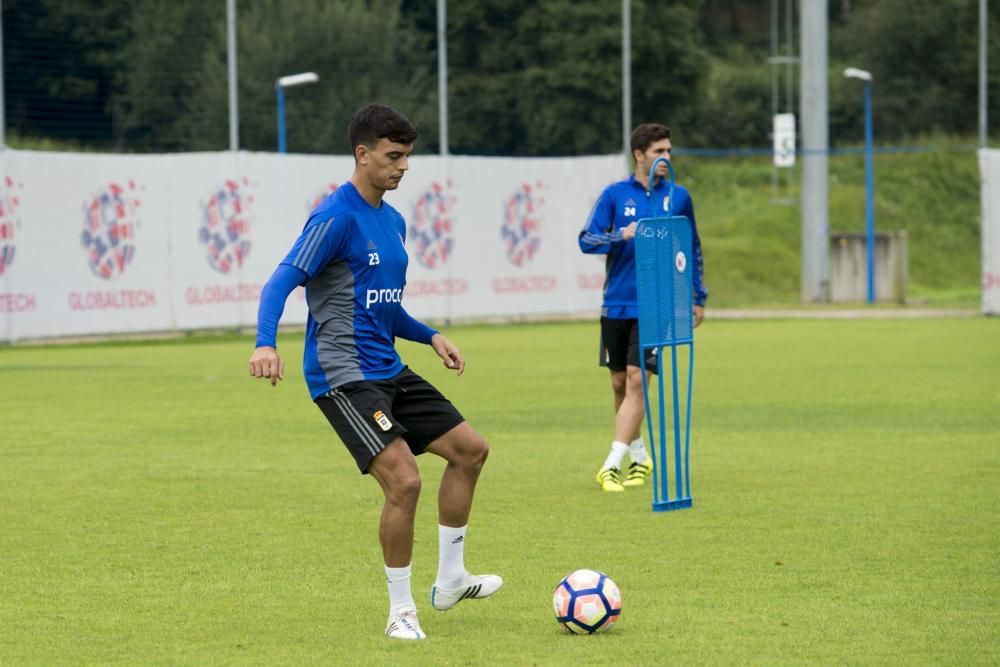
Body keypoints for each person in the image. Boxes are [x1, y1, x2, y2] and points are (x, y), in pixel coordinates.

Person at [248, 103, 501, 640]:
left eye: (407, 156)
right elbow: (279, 282)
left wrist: (431, 336)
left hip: (388, 367)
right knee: (404, 480)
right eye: (393, 156)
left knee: (471, 451)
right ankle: (401, 612)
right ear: (362, 154)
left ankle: (452, 578)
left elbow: (384, 307)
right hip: (343, 376)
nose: (403, 167)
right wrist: (264, 344)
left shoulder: (393, 220)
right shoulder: (334, 217)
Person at [578, 123, 707, 492]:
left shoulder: (678, 197)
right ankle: (640, 456)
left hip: (657, 305)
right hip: (615, 305)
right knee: (620, 384)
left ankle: (611, 463)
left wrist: (697, 297)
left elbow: (692, 248)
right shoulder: (615, 195)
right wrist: (622, 234)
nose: (665, 158)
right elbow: (586, 240)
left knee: (637, 381)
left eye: (669, 152)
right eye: (658, 152)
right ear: (639, 155)